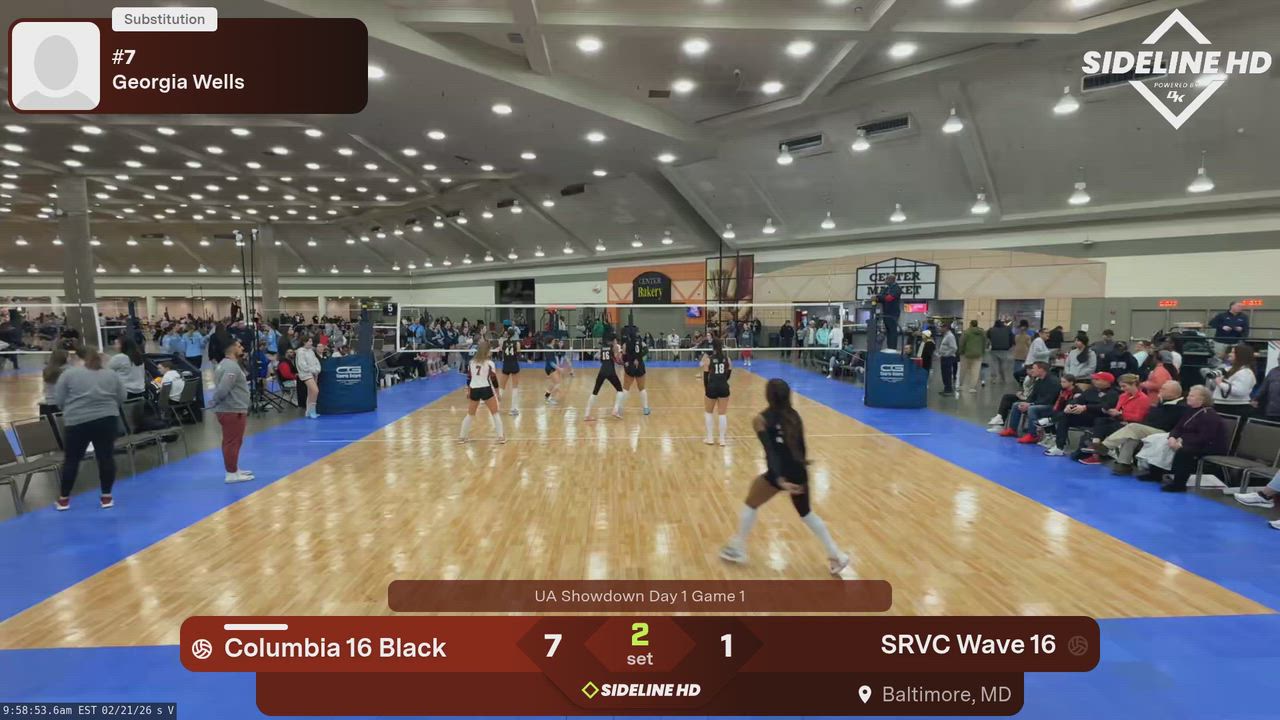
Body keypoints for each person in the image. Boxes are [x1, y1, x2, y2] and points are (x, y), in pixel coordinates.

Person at [718, 379, 849, 575]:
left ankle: (738, 548)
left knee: (751, 503)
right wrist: (801, 472)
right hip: (799, 472)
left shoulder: (760, 420)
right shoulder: (794, 415)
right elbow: (800, 446)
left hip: (780, 472)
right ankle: (836, 554)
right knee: (807, 514)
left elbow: (770, 451)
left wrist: (779, 479)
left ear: (768, 396)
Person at [52, 346, 126, 511]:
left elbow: (59, 399)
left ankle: (64, 500)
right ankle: (106, 497)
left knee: (72, 460)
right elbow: (122, 396)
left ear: (79, 358)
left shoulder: (69, 374)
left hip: (77, 422)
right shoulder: (111, 374)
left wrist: (72, 409)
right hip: (107, 420)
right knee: (106, 458)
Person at [1098, 381, 1186, 475]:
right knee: (1132, 436)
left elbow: (1165, 423)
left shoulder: (1180, 406)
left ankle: (1106, 446)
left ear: (1173, 392)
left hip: (1166, 433)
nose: (1160, 390)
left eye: (1163, 389)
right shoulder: (1162, 403)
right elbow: (1151, 419)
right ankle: (1123, 464)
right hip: (1152, 428)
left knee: (1133, 427)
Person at [1160, 385, 1229, 492]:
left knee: (1185, 451)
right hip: (1192, 441)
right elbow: (1178, 427)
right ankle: (1155, 474)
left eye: (1192, 396)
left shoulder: (1209, 415)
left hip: (1209, 446)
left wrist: (1182, 441)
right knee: (1161, 441)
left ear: (1202, 399)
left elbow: (1205, 437)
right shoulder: (1190, 411)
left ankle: (1179, 484)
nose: (1188, 397)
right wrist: (1172, 437)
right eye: (1189, 395)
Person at [1076, 374, 1150, 464]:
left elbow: (1138, 417)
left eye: (1124, 386)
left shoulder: (1143, 399)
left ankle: (1099, 449)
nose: (1122, 389)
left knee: (1103, 426)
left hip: (1131, 424)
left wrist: (1121, 414)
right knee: (1100, 420)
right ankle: (1096, 445)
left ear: (1134, 384)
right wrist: (1111, 412)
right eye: (1121, 386)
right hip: (1118, 420)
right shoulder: (1123, 396)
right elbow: (1117, 409)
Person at [1044, 372, 1118, 457]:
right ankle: (1059, 447)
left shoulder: (1113, 393)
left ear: (1107, 382)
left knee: (1065, 415)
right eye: (1094, 379)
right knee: (1065, 416)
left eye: (1097, 379)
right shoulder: (1091, 390)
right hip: (1085, 415)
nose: (1094, 381)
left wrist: (1085, 407)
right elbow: (1079, 399)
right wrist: (1070, 405)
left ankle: (1051, 420)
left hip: (1100, 418)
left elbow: (1105, 406)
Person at [211, 339, 253, 484]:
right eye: (239, 346)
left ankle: (234, 468)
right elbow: (223, 389)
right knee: (232, 442)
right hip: (232, 410)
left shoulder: (224, 364)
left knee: (234, 441)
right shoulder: (231, 367)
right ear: (232, 349)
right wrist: (215, 401)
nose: (242, 348)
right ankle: (231, 473)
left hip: (232, 409)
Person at [995, 363, 1061, 441]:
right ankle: (1012, 429)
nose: (1032, 370)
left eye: (1034, 368)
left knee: (1032, 409)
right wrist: (1026, 403)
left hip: (1051, 406)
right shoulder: (1039, 380)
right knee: (1016, 405)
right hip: (1039, 404)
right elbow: (1032, 396)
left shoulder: (1053, 381)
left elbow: (1049, 399)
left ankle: (1032, 435)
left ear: (1041, 370)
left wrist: (1031, 404)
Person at [459, 340, 506, 444]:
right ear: (486, 351)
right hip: (486, 389)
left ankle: (462, 437)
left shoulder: (471, 362)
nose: (491, 352)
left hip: (474, 389)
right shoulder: (490, 363)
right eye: (490, 350)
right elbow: (494, 380)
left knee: (470, 414)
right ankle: (501, 437)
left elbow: (469, 378)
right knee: (495, 413)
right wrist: (498, 393)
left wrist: (468, 391)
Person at [583, 333, 625, 422]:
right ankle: (615, 410)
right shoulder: (614, 347)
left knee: (594, 392)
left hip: (602, 371)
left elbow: (599, 359)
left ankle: (587, 415)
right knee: (620, 390)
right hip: (610, 371)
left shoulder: (602, 348)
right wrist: (620, 358)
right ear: (613, 340)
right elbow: (618, 360)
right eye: (616, 340)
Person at [701, 338, 733, 446]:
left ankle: (710, 438)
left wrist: (707, 389)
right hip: (724, 387)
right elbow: (728, 374)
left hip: (712, 387)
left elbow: (705, 377)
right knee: (722, 413)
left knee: (708, 412)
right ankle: (722, 439)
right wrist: (722, 380)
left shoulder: (708, 360)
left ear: (712, 347)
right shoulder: (727, 359)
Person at [619, 327, 651, 416]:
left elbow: (623, 355)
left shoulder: (625, 344)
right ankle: (645, 408)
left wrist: (626, 362)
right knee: (642, 388)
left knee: (626, 388)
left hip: (630, 366)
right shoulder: (641, 342)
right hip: (639, 366)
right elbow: (646, 350)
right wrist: (639, 357)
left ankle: (620, 408)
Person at [107, 335, 147, 401]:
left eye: (117, 344)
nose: (114, 346)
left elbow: (106, 370)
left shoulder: (119, 357)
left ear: (123, 346)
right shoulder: (138, 357)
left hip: (126, 392)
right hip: (140, 391)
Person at [295, 335, 322, 419]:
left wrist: (317, 370)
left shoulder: (311, 351)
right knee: (315, 391)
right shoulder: (300, 352)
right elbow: (302, 365)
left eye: (311, 341)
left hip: (314, 373)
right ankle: (312, 410)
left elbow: (316, 361)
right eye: (309, 341)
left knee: (310, 393)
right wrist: (312, 370)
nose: (311, 343)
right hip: (306, 374)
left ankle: (308, 411)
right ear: (304, 342)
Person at [498, 327, 522, 416]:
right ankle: (513, 409)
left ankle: (496, 406)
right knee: (515, 387)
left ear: (507, 334)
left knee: (501, 387)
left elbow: (500, 353)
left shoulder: (503, 342)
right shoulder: (517, 343)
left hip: (506, 365)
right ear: (514, 334)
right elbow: (519, 355)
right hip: (514, 365)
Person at [875, 275, 902, 351]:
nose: (885, 280)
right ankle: (889, 348)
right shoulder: (886, 289)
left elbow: (889, 298)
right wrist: (877, 298)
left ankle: (892, 349)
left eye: (887, 279)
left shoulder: (896, 288)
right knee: (888, 331)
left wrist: (880, 297)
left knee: (892, 331)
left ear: (892, 279)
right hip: (886, 313)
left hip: (893, 313)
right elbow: (879, 297)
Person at [958, 320, 987, 393]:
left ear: (970, 324)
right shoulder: (982, 333)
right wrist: (982, 352)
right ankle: (972, 388)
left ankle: (961, 385)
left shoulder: (966, 332)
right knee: (975, 372)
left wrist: (961, 351)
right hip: (978, 354)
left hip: (966, 354)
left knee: (963, 370)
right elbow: (985, 343)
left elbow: (962, 343)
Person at [39, 348, 69, 416]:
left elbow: (45, 389)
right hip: (62, 406)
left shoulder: (47, 370)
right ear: (64, 358)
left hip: (47, 404)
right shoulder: (67, 371)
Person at [986, 319, 1013, 384]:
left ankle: (993, 379)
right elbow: (1012, 338)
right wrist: (1009, 346)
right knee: (1003, 364)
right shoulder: (1007, 330)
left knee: (993, 364)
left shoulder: (991, 330)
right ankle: (1003, 378)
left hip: (994, 349)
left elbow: (988, 337)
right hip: (1004, 350)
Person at [542, 338, 564, 406]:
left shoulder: (550, 347)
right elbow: (551, 362)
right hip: (550, 368)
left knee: (553, 383)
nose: (555, 341)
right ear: (551, 341)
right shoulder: (548, 349)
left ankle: (547, 395)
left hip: (551, 367)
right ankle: (550, 399)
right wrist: (559, 368)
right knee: (557, 383)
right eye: (554, 340)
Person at [937, 324, 958, 395]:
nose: (940, 329)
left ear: (946, 328)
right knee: (944, 374)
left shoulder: (950, 336)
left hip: (948, 358)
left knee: (947, 374)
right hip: (944, 357)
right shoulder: (946, 335)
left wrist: (946, 354)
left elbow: (954, 348)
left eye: (941, 327)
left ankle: (949, 390)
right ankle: (946, 388)